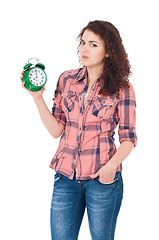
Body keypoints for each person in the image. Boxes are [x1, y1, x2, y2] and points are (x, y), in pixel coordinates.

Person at [21, 20, 137, 240]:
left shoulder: (123, 89)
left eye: (93, 44)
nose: (84, 49)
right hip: (65, 177)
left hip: (101, 180)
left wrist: (110, 167)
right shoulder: (67, 80)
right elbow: (57, 130)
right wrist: (37, 98)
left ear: (108, 51)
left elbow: (129, 138)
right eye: (83, 42)